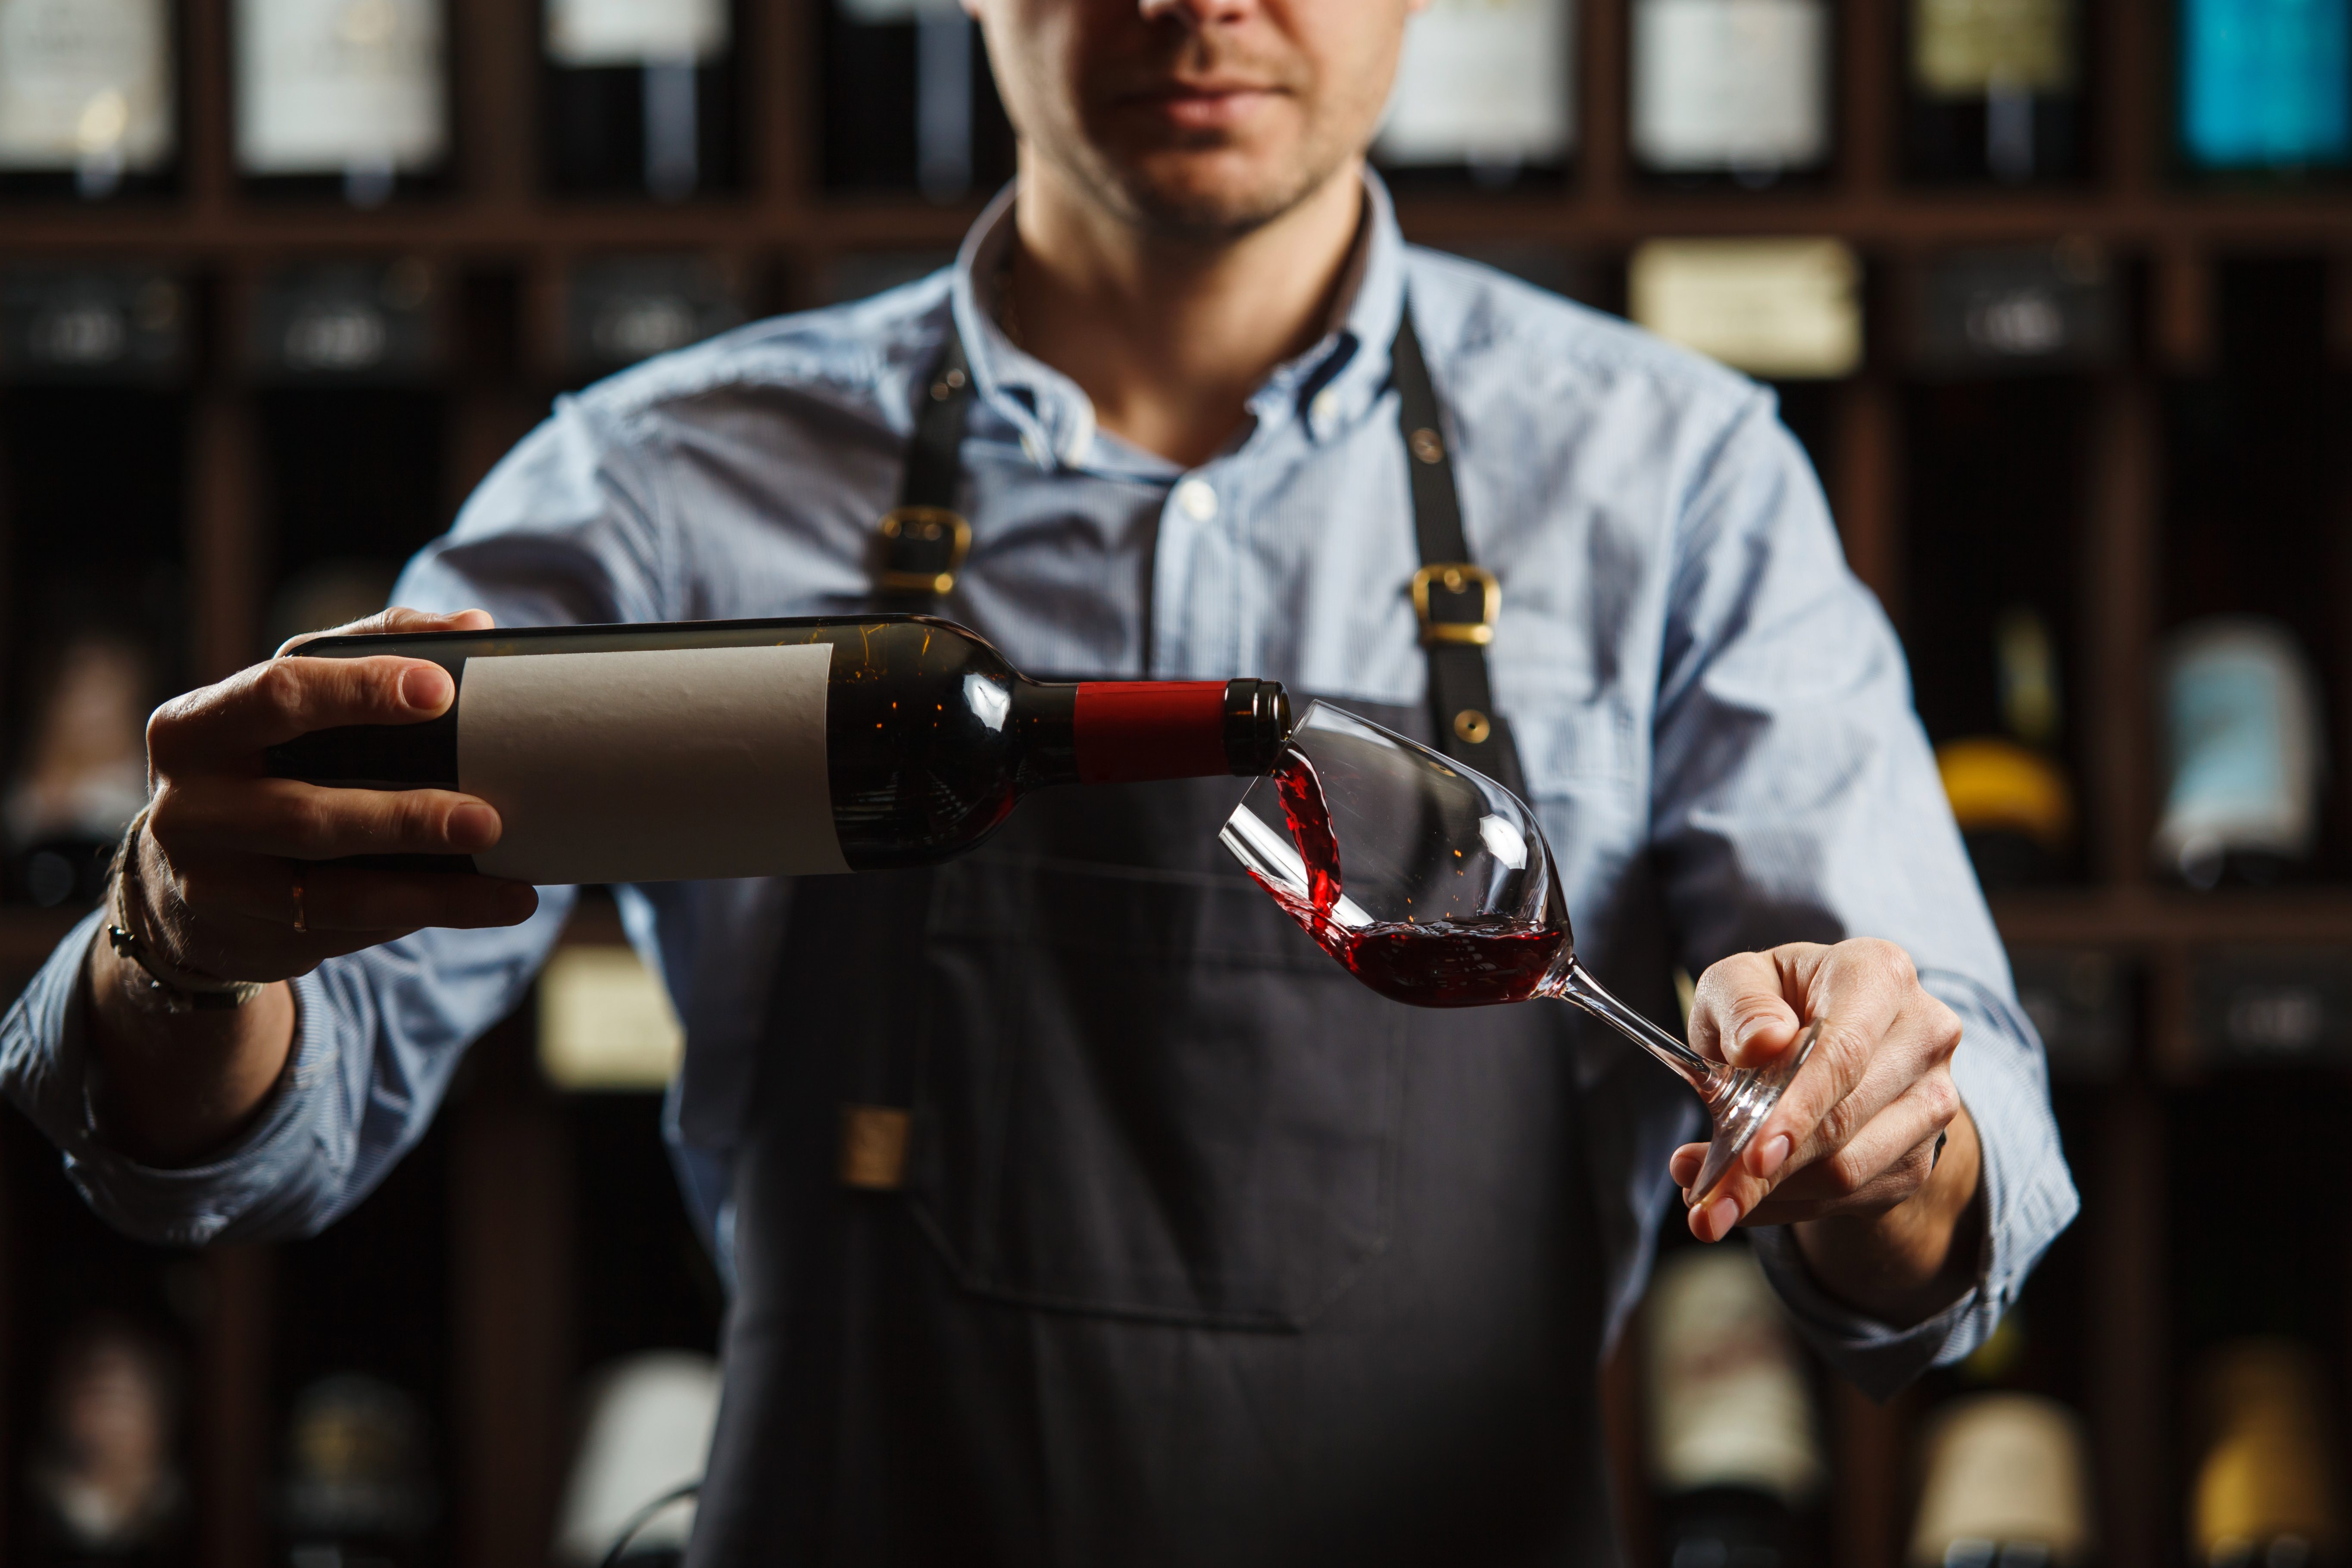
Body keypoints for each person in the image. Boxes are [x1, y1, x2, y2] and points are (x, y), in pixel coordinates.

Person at [3, 0, 2078, 1561]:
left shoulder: (1678, 485)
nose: (1200, 4)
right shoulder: (665, 486)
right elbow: (268, 1114)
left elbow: (1945, 1178)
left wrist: (1877, 1128)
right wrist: (181, 955)